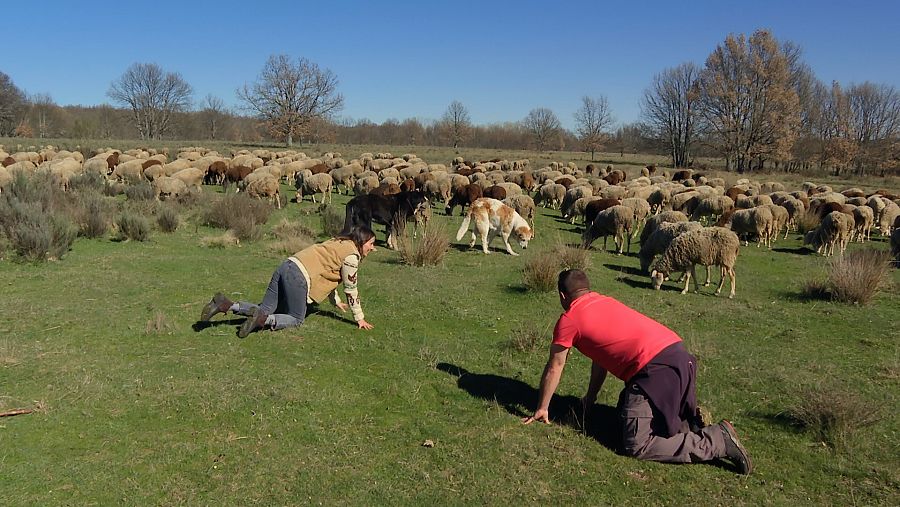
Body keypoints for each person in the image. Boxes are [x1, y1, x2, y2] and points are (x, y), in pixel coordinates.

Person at [523, 269, 752, 474]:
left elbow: (556, 366)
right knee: (626, 411)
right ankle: (686, 422)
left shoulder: (569, 319)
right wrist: (590, 399)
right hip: (680, 358)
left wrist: (542, 408)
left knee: (637, 444)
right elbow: (600, 358)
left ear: (562, 296)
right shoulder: (604, 301)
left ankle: (717, 440)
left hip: (655, 372)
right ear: (588, 289)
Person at [199, 226, 377, 337]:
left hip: (287, 265)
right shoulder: (352, 257)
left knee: (265, 308)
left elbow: (329, 270)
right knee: (296, 318)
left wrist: (335, 301)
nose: (373, 248)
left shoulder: (338, 241)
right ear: (362, 241)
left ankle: (225, 305)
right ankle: (263, 320)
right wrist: (359, 318)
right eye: (371, 243)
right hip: (299, 277)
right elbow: (351, 288)